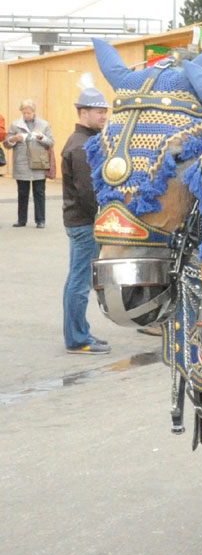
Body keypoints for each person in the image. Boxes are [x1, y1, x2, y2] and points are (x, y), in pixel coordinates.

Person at [62, 87, 112, 354]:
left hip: (80, 222)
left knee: (76, 280)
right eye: (98, 112)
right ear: (83, 112)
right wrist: (103, 219)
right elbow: (87, 193)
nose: (104, 117)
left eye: (105, 112)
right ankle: (78, 340)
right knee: (80, 284)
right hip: (85, 224)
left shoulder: (85, 141)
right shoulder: (82, 146)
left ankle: (79, 333)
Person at [4, 98, 55, 228]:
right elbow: (6, 144)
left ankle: (40, 220)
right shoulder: (15, 125)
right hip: (21, 163)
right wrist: (14, 139)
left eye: (29, 113)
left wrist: (41, 137)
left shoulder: (44, 124)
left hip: (39, 162)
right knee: (22, 193)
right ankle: (22, 220)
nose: (26, 115)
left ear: (34, 112)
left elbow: (51, 142)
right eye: (24, 112)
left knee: (39, 192)